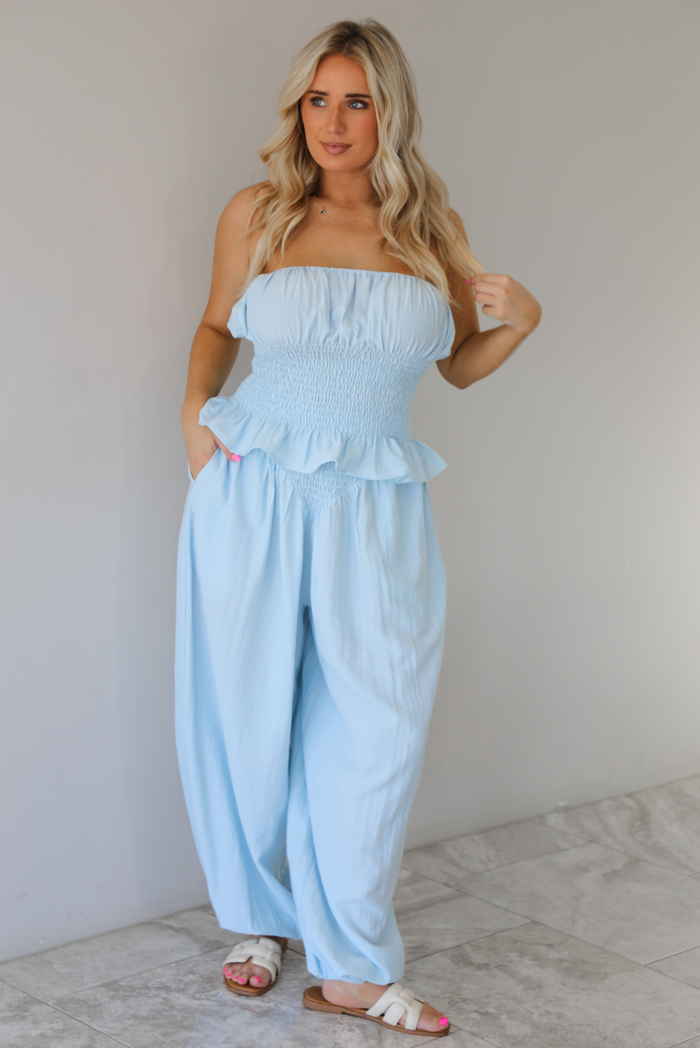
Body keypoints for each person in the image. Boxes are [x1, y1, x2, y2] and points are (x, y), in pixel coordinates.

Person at [176, 17, 541, 1038]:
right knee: (247, 714)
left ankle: (348, 959)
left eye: (357, 100)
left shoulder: (431, 228)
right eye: (318, 99)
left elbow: (456, 366)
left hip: (376, 504)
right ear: (299, 108)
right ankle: (259, 922)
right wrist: (194, 424)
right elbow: (213, 327)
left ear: (391, 110)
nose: (333, 122)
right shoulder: (256, 212)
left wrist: (522, 322)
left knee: (376, 725)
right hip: (252, 487)